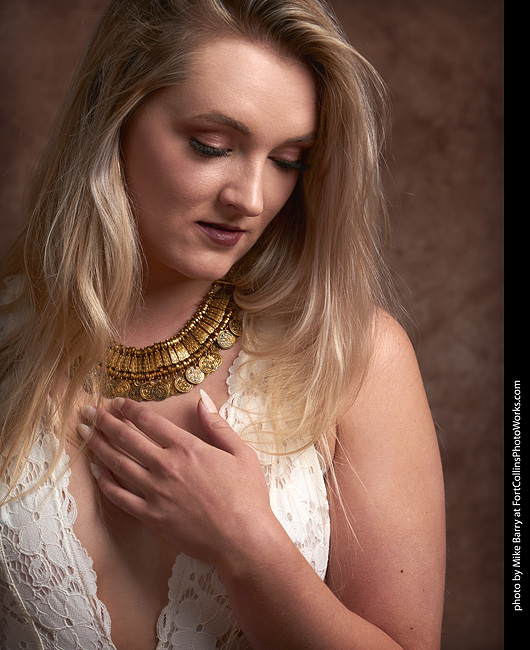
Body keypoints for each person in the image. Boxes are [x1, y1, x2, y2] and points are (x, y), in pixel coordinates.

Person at [0, 0, 446, 648]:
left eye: (288, 159)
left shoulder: (355, 357)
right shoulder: (9, 341)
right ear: (114, 115)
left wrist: (250, 548)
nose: (251, 198)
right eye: (212, 146)